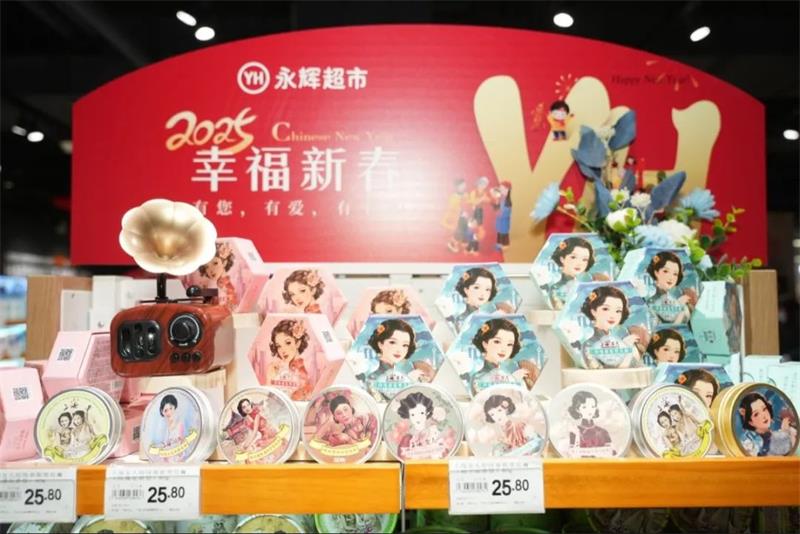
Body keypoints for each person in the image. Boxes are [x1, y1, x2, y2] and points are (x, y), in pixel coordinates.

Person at [576, 286, 643, 369]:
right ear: (593, 311)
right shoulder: (588, 344)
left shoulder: (622, 337)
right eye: (606, 309)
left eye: (618, 311)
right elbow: (603, 373)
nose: (612, 315)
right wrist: (626, 348)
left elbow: (636, 365)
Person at [468, 318, 536, 392]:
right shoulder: (479, 376)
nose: (504, 349)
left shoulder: (502, 372)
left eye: (509, 344)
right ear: (485, 344)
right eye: (497, 342)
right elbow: (486, 392)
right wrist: (512, 379)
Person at [541, 236, 596, 309]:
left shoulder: (585, 287)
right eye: (573, 257)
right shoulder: (556, 289)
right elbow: (560, 310)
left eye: (584, 259)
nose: (579, 263)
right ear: (562, 259)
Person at [267, 319, 314, 400]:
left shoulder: (307, 369)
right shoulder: (274, 368)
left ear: (297, 343)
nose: (283, 350)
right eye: (278, 346)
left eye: (288, 343)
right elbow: (269, 394)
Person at [739, 392, 798, 456]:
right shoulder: (754, 444)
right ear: (750, 422)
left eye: (764, 409)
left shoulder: (779, 431)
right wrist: (785, 433)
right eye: (756, 414)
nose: (764, 415)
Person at [645, 252, 696, 324]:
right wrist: (679, 306)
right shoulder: (651, 302)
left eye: (675, 274)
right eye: (666, 271)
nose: (671, 277)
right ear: (656, 272)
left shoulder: (675, 298)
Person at [396, 392, 450, 460]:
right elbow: (403, 457)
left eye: (421, 413)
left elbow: (444, 453)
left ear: (427, 413)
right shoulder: (407, 439)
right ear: (408, 416)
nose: (418, 418)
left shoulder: (434, 433)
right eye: (413, 415)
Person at [567, 391, 613, 457]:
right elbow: (571, 455)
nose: (589, 410)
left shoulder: (603, 432)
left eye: (592, 406)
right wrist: (577, 435)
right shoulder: (574, 431)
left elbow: (611, 453)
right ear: (577, 409)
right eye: (584, 407)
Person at [198, 242, 237, 312]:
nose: (211, 270)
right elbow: (205, 306)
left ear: (224, 263)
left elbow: (232, 307)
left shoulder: (230, 287)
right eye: (207, 267)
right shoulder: (208, 285)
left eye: (215, 263)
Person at [158, 394, 187, 462]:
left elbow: (183, 442)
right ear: (162, 412)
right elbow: (163, 444)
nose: (169, 412)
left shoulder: (180, 425)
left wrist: (180, 454)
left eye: (171, 408)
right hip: (166, 458)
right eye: (166, 410)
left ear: (175, 407)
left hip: (177, 457)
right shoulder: (163, 427)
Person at [492, 181, 513, 251]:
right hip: (499, 221)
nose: (500, 190)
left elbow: (506, 213)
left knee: (503, 235)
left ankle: (505, 245)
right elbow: (496, 207)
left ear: (507, 190)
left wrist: (499, 213)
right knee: (499, 233)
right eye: (500, 188)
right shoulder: (500, 198)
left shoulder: (508, 202)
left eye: (502, 188)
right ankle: (499, 244)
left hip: (504, 222)